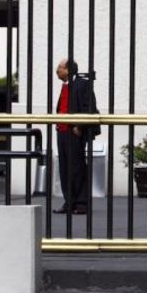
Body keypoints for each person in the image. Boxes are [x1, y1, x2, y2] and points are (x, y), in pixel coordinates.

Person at [54, 58, 101, 215]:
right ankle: (70, 201)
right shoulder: (65, 85)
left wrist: (79, 125)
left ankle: (82, 203)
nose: (57, 70)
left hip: (74, 133)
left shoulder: (82, 84)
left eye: (60, 67)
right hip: (62, 132)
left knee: (77, 167)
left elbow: (89, 107)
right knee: (64, 168)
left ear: (68, 70)